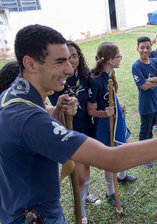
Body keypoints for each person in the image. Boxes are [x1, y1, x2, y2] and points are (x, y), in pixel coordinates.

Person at [0, 24, 157, 224]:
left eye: (70, 60)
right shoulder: (27, 117)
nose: (69, 69)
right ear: (30, 63)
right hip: (36, 217)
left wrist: (56, 109)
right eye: (60, 62)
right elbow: (112, 159)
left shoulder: (11, 96)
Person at [48, 41, 101, 224]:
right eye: (67, 57)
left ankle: (85, 195)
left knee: (86, 169)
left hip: (87, 127)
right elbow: (57, 110)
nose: (72, 60)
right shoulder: (57, 82)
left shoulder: (85, 77)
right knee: (78, 175)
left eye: (75, 55)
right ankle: (81, 212)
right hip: (70, 132)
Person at [87, 42, 137, 208]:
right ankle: (110, 192)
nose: (121, 58)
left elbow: (109, 96)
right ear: (109, 59)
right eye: (118, 56)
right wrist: (103, 113)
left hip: (117, 119)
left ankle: (122, 176)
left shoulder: (109, 73)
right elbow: (91, 109)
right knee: (111, 158)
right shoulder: (95, 80)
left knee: (125, 147)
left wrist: (117, 105)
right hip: (105, 123)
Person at [132, 36, 157, 167]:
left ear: (151, 48)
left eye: (147, 47)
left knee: (151, 128)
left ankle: (150, 150)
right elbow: (143, 86)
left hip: (156, 101)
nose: (145, 50)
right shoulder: (136, 66)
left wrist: (150, 80)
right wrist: (155, 79)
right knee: (145, 130)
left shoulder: (154, 61)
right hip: (146, 104)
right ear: (137, 49)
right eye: (142, 47)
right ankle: (143, 156)